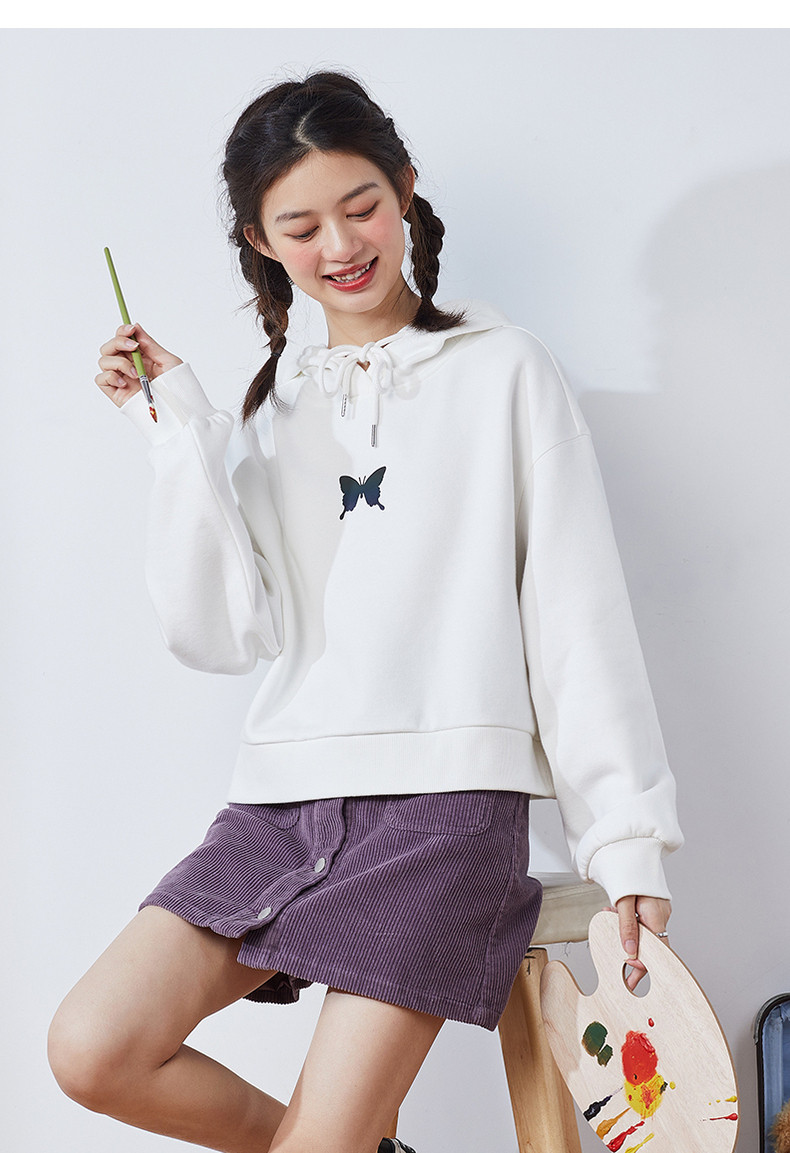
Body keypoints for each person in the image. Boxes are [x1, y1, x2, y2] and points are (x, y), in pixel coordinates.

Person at [48, 71, 683, 1153]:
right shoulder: (272, 408)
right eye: (301, 227)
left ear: (405, 191)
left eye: (361, 207)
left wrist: (626, 839)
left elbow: (577, 617)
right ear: (260, 241)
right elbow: (222, 634)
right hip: (280, 804)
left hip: (446, 814)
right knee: (91, 1049)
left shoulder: (505, 372)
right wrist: (178, 437)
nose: (341, 245)